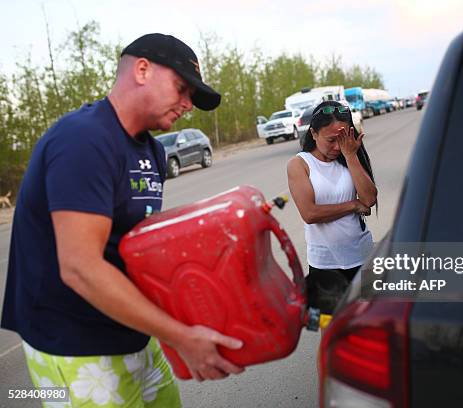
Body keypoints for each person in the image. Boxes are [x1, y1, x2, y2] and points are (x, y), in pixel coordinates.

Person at [1, 33, 244, 407]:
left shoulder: (152, 151)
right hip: (75, 343)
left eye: (192, 97)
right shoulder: (83, 140)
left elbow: (137, 244)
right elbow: (80, 268)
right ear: (142, 70)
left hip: (133, 331)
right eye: (182, 88)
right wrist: (181, 336)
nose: (187, 105)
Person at [287, 100, 377, 315]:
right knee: (331, 326)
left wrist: (351, 155)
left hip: (361, 255)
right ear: (314, 134)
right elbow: (310, 213)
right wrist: (353, 205)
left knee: (367, 321)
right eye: (331, 140)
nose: (338, 146)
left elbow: (369, 198)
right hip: (326, 264)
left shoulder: (348, 155)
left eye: (342, 139)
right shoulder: (300, 164)